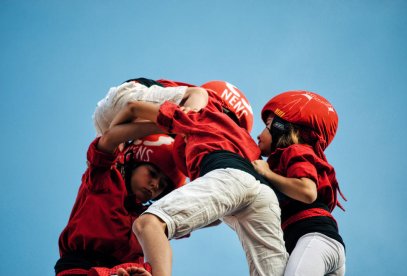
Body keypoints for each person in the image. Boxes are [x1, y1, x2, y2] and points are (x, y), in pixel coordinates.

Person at [113, 80, 288, 276]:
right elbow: (215, 215)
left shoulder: (198, 114)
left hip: (227, 177)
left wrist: (116, 142)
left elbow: (133, 107)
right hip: (264, 193)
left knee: (148, 224)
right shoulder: (243, 137)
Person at [54, 117, 186, 276]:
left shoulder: (151, 218)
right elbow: (110, 138)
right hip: (81, 269)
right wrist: (169, 126)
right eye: (152, 173)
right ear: (133, 160)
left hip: (123, 272)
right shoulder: (104, 179)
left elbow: (209, 209)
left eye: (163, 185)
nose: (155, 185)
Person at [252, 91, 346, 275]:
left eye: (268, 125)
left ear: (280, 127)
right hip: (321, 245)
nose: (258, 134)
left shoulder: (295, 150)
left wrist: (266, 173)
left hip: (313, 239)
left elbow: (307, 191)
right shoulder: (292, 157)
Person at [93, 78, 197, 136]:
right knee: (198, 94)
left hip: (106, 113)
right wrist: (192, 113)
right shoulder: (208, 103)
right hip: (124, 100)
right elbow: (132, 107)